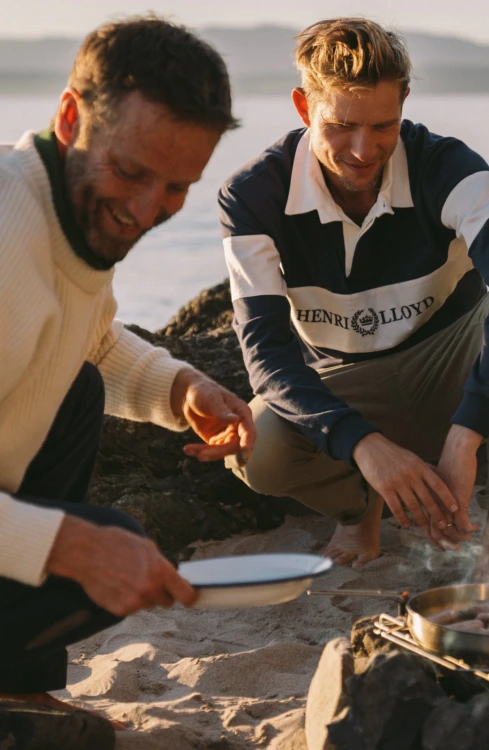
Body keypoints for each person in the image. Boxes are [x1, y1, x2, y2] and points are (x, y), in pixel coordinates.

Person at [219, 18, 489, 582]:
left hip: (447, 367)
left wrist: (464, 438)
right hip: (344, 380)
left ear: (405, 102)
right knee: (255, 450)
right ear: (304, 109)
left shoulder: (447, 166)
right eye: (341, 125)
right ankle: (359, 511)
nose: (363, 150)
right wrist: (364, 446)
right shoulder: (252, 195)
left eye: (384, 126)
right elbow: (265, 353)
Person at [0, 16, 255, 728]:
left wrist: (181, 389)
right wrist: (70, 545)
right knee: (104, 545)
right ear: (70, 115)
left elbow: (90, 342)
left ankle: (12, 690)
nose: (147, 211)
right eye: (131, 171)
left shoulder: (63, 216)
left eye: (177, 187)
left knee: (76, 391)